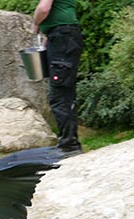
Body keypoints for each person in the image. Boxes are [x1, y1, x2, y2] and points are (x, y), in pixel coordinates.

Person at [31, 0, 84, 153]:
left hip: (62, 37)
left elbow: (44, 8)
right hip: (63, 37)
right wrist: (48, 37)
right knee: (65, 91)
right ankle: (69, 142)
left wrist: (35, 24)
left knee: (60, 93)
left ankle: (69, 145)